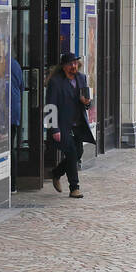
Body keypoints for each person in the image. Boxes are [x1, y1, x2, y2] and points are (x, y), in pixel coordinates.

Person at [46, 52, 94, 197]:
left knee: (79, 152)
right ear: (64, 66)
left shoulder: (82, 78)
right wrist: (54, 128)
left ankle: (56, 172)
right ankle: (74, 188)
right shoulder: (55, 82)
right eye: (70, 64)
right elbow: (50, 106)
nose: (73, 66)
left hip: (78, 124)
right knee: (72, 153)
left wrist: (87, 103)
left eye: (75, 63)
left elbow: (87, 102)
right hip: (62, 125)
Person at [10, 55, 23, 192]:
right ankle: (13, 184)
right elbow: (21, 87)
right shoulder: (15, 64)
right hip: (14, 113)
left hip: (4, 113)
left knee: (8, 148)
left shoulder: (3, 64)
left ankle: (11, 183)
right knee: (10, 148)